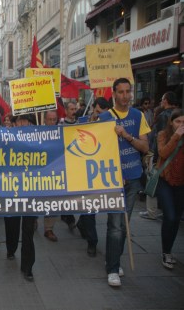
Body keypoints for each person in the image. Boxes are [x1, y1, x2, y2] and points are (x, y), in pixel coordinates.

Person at [106, 78, 150, 287]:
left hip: (132, 178)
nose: (125, 96)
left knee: (123, 225)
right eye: (121, 92)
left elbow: (144, 147)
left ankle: (114, 258)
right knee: (115, 226)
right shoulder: (105, 118)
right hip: (113, 179)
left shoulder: (138, 116)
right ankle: (112, 267)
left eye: (128, 91)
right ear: (114, 94)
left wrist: (127, 136)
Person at [3, 114, 37, 281]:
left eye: (27, 122)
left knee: (29, 229)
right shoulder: (7, 137)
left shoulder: (40, 139)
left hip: (32, 190)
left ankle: (28, 266)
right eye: (20, 121)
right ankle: (11, 248)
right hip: (12, 189)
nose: (23, 124)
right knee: (12, 223)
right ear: (15, 123)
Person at [76, 97, 111, 257]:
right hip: (84, 171)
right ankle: (92, 241)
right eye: (97, 112)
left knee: (92, 206)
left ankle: (82, 223)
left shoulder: (110, 125)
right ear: (92, 109)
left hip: (101, 171)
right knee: (89, 207)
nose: (99, 116)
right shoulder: (82, 122)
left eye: (103, 113)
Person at [141, 92, 179, 220]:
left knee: (153, 179)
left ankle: (152, 211)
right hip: (174, 155)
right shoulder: (178, 112)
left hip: (163, 154)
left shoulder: (163, 116)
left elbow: (160, 138)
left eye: (162, 99)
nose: (161, 102)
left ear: (166, 100)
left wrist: (155, 157)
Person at [156, 109, 184, 269]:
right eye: (177, 121)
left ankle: (169, 249)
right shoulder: (163, 135)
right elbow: (163, 153)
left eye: (183, 122)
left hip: (181, 184)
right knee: (170, 217)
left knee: (176, 219)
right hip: (165, 181)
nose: (180, 125)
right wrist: (176, 136)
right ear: (171, 123)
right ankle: (166, 252)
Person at [41, 110, 59, 242]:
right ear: (45, 120)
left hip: (54, 173)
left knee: (52, 200)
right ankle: (33, 218)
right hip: (39, 173)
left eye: (54, 119)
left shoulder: (60, 133)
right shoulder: (37, 133)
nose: (52, 122)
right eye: (50, 119)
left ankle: (49, 228)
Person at [60, 101, 77, 229]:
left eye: (75, 109)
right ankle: (68, 216)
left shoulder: (80, 124)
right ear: (66, 111)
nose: (74, 111)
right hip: (63, 162)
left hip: (76, 161)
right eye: (71, 109)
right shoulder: (60, 124)